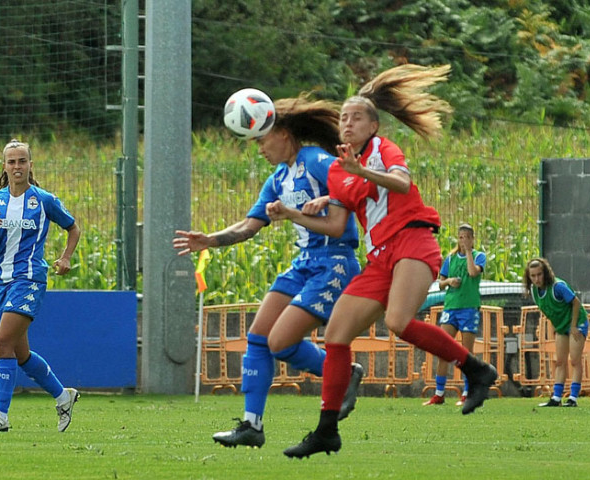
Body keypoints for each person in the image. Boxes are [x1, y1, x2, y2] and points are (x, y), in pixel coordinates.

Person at [267, 64, 499, 459]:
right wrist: (293, 214)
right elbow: (337, 224)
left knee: (398, 321)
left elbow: (403, 184)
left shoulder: (382, 150)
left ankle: (475, 369)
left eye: (357, 116)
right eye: (343, 117)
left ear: (373, 125)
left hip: (412, 239)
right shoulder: (340, 170)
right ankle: (326, 430)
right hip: (379, 258)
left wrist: (365, 171)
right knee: (336, 334)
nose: (347, 122)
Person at [173, 96, 364, 449]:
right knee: (259, 337)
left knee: (280, 342)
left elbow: (349, 193)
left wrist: (326, 201)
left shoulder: (315, 160)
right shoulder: (279, 178)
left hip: (333, 262)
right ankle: (251, 425)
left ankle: (340, 373)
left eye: (262, 139)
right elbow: (250, 225)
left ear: (285, 133)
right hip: (304, 263)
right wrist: (210, 240)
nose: (259, 148)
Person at [0, 139, 81, 432]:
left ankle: (0, 416)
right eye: (12, 162)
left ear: (30, 165)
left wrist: (66, 257)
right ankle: (63, 396)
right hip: (3, 281)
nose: (17, 167)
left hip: (29, 278)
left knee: (2, 343)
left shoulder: (43, 200)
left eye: (22, 161)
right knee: (20, 355)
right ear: (4, 167)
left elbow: (73, 227)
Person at [423, 223, 486, 407]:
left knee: (466, 353)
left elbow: (473, 272)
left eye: (467, 237)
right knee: (443, 348)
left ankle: (467, 393)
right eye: (461, 237)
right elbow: (440, 284)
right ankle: (439, 394)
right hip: (451, 308)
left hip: (469, 308)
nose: (463, 240)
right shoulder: (450, 259)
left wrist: (467, 253)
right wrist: (450, 281)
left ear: (472, 239)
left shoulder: (478, 256)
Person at [524, 258, 589, 408]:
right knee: (559, 361)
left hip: (576, 323)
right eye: (533, 276)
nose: (536, 279)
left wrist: (573, 326)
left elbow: (576, 302)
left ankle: (573, 398)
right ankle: (556, 398)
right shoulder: (534, 291)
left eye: (539, 275)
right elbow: (548, 309)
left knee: (574, 360)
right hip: (561, 326)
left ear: (545, 273)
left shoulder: (557, 286)